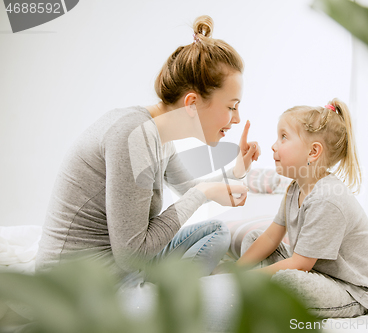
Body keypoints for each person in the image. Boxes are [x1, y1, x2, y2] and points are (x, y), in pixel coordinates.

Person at [35, 15, 262, 280]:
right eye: (231, 106)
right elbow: (132, 256)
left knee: (216, 231)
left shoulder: (156, 134)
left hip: (117, 269)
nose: (236, 118)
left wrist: (236, 171)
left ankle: (172, 290)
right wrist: (203, 193)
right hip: (78, 286)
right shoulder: (132, 136)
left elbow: (190, 190)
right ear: (192, 103)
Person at [234, 98, 368, 318]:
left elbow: (300, 264)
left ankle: (252, 294)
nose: (273, 145)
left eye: (284, 137)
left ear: (313, 152)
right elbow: (271, 237)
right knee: (253, 239)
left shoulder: (326, 199)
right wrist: (237, 271)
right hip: (316, 272)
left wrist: (251, 277)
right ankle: (248, 291)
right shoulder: (294, 188)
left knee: (288, 281)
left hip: (350, 289)